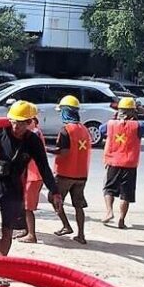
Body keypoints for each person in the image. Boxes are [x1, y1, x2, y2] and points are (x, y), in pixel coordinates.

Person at [0, 101, 62, 256]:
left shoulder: (33, 141)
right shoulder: (1, 130)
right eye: (13, 122)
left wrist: (55, 192)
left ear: (29, 123)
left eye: (20, 124)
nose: (16, 127)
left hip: (14, 190)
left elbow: (44, 168)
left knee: (7, 230)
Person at [100, 97, 144, 229]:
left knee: (109, 189)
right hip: (130, 164)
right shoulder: (137, 126)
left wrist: (114, 117)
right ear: (134, 112)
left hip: (113, 162)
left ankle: (109, 212)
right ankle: (121, 220)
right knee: (126, 193)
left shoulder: (111, 124)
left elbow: (100, 129)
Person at [47, 95, 92, 244]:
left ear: (65, 112)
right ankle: (81, 235)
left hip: (65, 174)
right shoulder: (85, 129)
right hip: (81, 174)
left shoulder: (66, 130)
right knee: (78, 205)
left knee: (53, 198)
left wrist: (46, 149)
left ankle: (66, 225)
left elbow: (64, 151)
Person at [14, 113, 45, 244]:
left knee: (28, 207)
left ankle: (32, 235)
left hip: (33, 175)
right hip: (32, 174)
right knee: (24, 205)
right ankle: (26, 230)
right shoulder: (35, 132)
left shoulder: (33, 134)